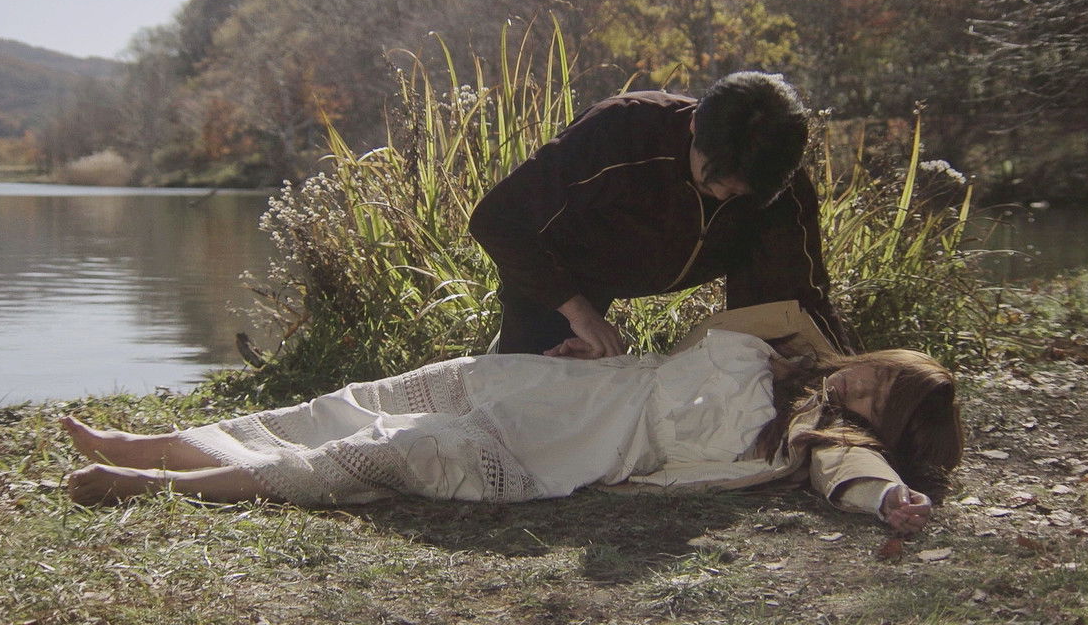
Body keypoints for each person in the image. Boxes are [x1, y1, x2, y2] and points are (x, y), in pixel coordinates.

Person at [62, 330, 962, 534]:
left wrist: (890, 500)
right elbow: (670, 347)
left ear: (880, 417)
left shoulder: (818, 434)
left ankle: (158, 484)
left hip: (557, 450)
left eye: (879, 394)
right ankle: (147, 442)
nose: (861, 383)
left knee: (378, 452)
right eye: (876, 369)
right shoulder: (782, 345)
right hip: (548, 386)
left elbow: (854, 474)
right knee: (350, 401)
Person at [468, 71, 851, 359]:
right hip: (567, 267)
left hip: (697, 264)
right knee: (529, 392)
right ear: (694, 123)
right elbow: (497, 218)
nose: (722, 195)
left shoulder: (777, 182)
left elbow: (801, 300)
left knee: (770, 366)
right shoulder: (619, 131)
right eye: (714, 179)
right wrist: (578, 312)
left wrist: (846, 371)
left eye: (738, 193)